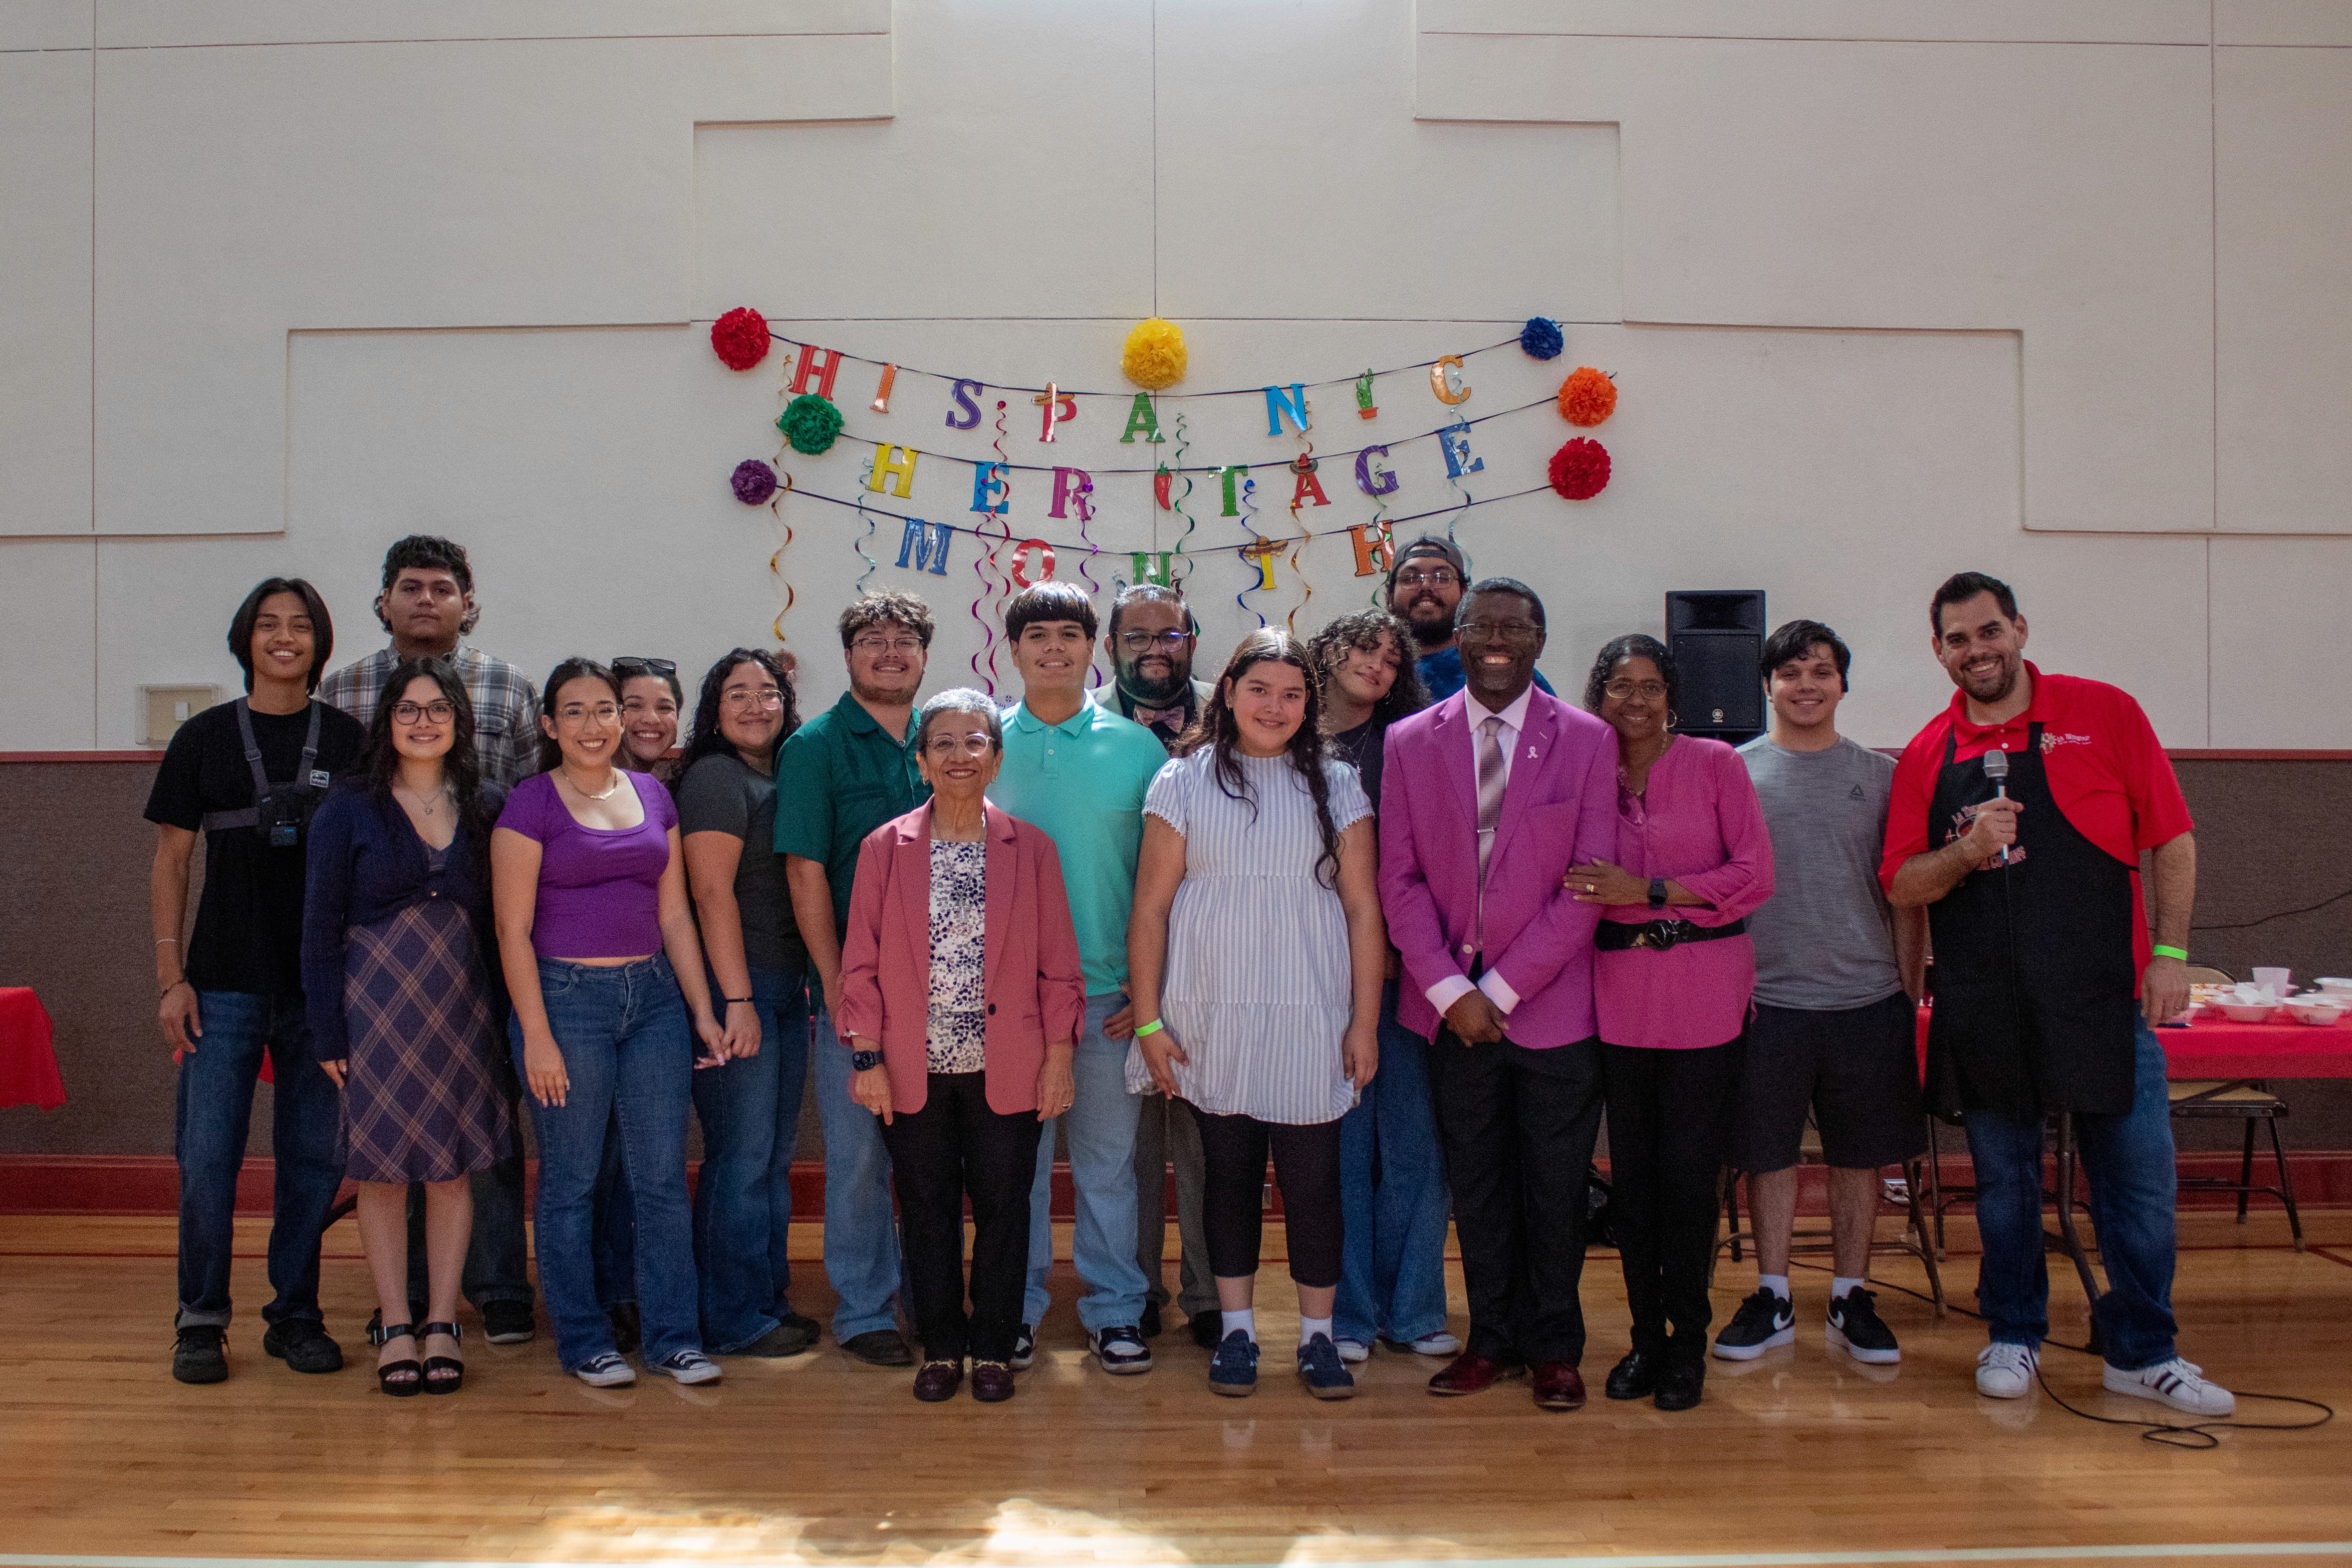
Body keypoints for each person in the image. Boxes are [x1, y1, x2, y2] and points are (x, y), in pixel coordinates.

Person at [1883, 572, 2231, 1415]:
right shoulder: (1928, 753)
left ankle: (2143, 1352)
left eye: (1988, 631)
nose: (1977, 650)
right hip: (1986, 1011)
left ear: (2019, 629)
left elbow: (2172, 838)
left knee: (2138, 1188)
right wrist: (1966, 852)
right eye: (1958, 640)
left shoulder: (2105, 712)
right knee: (2004, 1190)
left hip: (2105, 1004)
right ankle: (2012, 1335)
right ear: (1938, 653)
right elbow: (1902, 885)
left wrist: (2170, 954)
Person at [1127, 629, 1387, 1401]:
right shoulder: (1181, 780)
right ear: (1229, 692)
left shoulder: (1336, 783)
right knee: (1228, 1179)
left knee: (1313, 1184)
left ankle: (1316, 1337)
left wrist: (1362, 1022)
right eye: (1259, 690)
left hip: (1310, 1011)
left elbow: (1362, 908)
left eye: (1291, 694)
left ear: (1309, 703)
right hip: (1212, 1010)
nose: (1274, 706)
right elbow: (1150, 907)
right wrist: (1148, 1022)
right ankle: (1236, 1331)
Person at [1379, 580, 1618, 1412]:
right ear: (1458, 633)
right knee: (1476, 1185)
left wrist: (1503, 989)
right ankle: (1489, 1338)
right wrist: (1452, 991)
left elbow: (1587, 886)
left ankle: (1554, 1347)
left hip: (1551, 1009)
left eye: (1514, 627)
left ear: (1538, 640)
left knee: (1554, 1187)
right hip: (1450, 1014)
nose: (1495, 640)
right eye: (1480, 625)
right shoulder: (1410, 740)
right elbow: (1399, 878)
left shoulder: (1586, 739)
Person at [317, 533, 540, 1347]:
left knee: (481, 1128)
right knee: (391, 1137)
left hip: (478, 948)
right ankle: (403, 1302)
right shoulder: (342, 692)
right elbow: (333, 845)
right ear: (384, 601)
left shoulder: (510, 687)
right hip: (378, 960)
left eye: (442, 588)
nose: (425, 600)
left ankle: (496, 1285)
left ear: (466, 603)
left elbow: (532, 811)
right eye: (409, 586)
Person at [840, 690, 1088, 1402]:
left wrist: (1059, 1058)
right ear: (921, 761)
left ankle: (993, 1349)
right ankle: (942, 1346)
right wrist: (867, 1056)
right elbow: (859, 964)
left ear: (995, 759)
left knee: (1007, 1208)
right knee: (925, 1208)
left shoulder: (1030, 848)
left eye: (974, 741)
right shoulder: (884, 848)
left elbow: (1059, 967)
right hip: (911, 1067)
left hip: (1007, 1066)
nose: (959, 755)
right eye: (942, 743)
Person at [148, 579, 365, 1385]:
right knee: (208, 1160)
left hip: (321, 991)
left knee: (313, 1162)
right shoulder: (203, 737)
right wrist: (171, 977)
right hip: (221, 987)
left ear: (320, 642)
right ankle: (201, 1320)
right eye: (269, 624)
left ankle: (295, 1315)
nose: (284, 636)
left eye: (300, 625)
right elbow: (171, 860)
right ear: (246, 639)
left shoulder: (347, 740)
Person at [491, 658, 730, 1387]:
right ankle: (584, 1339)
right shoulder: (529, 803)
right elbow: (511, 929)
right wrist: (537, 1035)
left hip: (652, 1000)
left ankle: (673, 1339)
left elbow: (675, 914)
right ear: (548, 724)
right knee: (571, 1179)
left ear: (621, 719)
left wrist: (701, 1009)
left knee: (660, 1178)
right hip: (566, 1002)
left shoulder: (654, 794)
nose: (592, 725)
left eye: (604, 710)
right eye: (574, 711)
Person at [1569, 633, 1773, 1413]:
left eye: (1650, 685)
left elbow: (1753, 874)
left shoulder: (1716, 764)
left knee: (1689, 1181)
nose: (1635, 699)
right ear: (1597, 696)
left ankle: (1687, 1342)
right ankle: (1643, 1340)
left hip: (1705, 993)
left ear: (1671, 697)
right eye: (1619, 684)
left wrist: (1648, 889)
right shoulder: (1584, 773)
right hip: (1616, 996)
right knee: (1634, 1185)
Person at [1715, 621, 1927, 1367]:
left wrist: (1903, 992)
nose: (1805, 685)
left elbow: (1906, 897)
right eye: (1790, 672)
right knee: (1766, 1155)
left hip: (1866, 1000)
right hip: (1763, 1002)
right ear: (1767, 684)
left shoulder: (1882, 776)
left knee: (1858, 1157)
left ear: (1842, 684)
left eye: (1821, 671)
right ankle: (1771, 1295)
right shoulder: (1732, 771)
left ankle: (1849, 1295)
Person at [302, 660, 513, 1395]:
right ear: (386, 721)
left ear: (460, 720)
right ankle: (396, 1321)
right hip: (374, 1006)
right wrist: (327, 1030)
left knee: (452, 1169)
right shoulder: (348, 808)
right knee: (382, 1171)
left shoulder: (488, 803)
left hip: (462, 1006)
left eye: (438, 708)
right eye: (408, 709)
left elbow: (505, 923)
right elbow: (318, 927)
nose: (424, 722)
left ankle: (443, 1320)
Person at [987, 584, 1166, 1375]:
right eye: (1037, 635)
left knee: (1106, 1167)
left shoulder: (1137, 750)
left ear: (1093, 647)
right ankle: (1014, 1307)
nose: (1053, 647)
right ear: (1013, 649)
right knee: (1012, 1173)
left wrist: (1148, 990)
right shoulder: (981, 741)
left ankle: (1116, 1308)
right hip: (1004, 1003)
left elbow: (1165, 883)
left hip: (1108, 999)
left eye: (1068, 633)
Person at [775, 592, 934, 1369]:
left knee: (932, 1159)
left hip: (943, 995)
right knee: (860, 1158)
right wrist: (838, 984)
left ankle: (931, 1298)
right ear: (847, 655)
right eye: (873, 639)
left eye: (905, 640)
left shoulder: (943, 737)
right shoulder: (814, 746)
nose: (889, 651)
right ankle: (866, 1308)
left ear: (924, 654)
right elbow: (804, 872)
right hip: (858, 995)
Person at [1308, 610, 1455, 1365]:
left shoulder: (1410, 744)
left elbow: (1429, 864)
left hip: (1405, 973)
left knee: (1414, 1147)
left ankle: (1416, 1308)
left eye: (1392, 659)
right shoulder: (1285, 740)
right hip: (1312, 976)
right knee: (1339, 1152)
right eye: (1362, 649)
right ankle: (1350, 1313)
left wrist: (1406, 955)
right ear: (1324, 654)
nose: (1376, 665)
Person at [675, 648, 820, 1359]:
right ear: (714, 707)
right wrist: (736, 999)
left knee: (771, 1155)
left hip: (785, 986)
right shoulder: (714, 777)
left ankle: (765, 1298)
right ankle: (730, 1315)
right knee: (740, 1154)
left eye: (768, 692)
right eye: (738, 693)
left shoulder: (779, 773)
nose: (756, 705)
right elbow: (710, 894)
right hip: (741, 987)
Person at [1104, 583, 1219, 1348]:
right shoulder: (1080, 724)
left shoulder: (1236, 713)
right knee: (1130, 1152)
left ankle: (1209, 1294)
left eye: (1169, 635)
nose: (1154, 647)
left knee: (1209, 1147)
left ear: (1191, 640)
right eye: (1136, 635)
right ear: (1111, 646)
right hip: (1119, 977)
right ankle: (1135, 1289)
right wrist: (1125, 973)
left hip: (1212, 971)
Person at [1382, 537, 1554, 703]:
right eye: (1410, 578)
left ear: (1464, 593)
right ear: (1389, 597)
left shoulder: (1498, 667)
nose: (1426, 586)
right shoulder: (1375, 672)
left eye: (1442, 578)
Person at [614, 656, 687, 788]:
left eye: (664, 708)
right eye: (635, 706)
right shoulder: (591, 788)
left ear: (677, 716)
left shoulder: (663, 788)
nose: (651, 719)